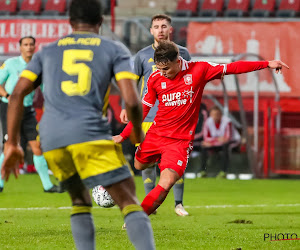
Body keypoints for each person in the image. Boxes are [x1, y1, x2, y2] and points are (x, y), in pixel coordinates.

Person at [1, 0, 155, 249]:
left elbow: (16, 94)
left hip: (51, 138)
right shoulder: (113, 49)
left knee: (80, 200)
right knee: (128, 199)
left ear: (70, 22)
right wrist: (138, 135)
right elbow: (132, 101)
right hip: (89, 132)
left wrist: (12, 143)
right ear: (101, 21)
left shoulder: (46, 51)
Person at [113, 40, 289, 216]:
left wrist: (266, 64)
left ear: (178, 60)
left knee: (166, 182)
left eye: (166, 69)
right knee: (139, 164)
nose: (162, 73)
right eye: (159, 69)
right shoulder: (155, 78)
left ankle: (136, 219)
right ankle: (158, 159)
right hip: (156, 134)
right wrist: (123, 135)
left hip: (180, 142)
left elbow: (232, 68)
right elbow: (143, 110)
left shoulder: (199, 70)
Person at [120, 14, 191, 216]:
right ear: (151, 31)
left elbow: (190, 80)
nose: (160, 30)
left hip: (176, 118)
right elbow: (132, 82)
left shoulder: (183, 53)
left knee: (174, 164)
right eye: (156, 27)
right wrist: (127, 106)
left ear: (170, 29)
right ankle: (152, 205)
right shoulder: (142, 56)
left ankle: (179, 203)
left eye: (164, 26)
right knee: (147, 164)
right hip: (148, 117)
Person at [0, 36, 60, 193]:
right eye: (25, 44)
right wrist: (7, 96)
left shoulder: (38, 65)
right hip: (10, 108)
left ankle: (47, 186)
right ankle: (0, 184)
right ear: (20, 47)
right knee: (9, 147)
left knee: (37, 146)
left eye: (31, 44)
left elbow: (46, 89)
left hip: (27, 110)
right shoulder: (11, 64)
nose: (28, 47)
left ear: (35, 47)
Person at [200, 106, 241, 178]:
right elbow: (206, 138)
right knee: (203, 146)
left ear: (220, 115)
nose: (215, 116)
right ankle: (203, 171)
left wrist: (212, 141)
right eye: (213, 115)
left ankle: (223, 172)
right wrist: (217, 140)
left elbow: (227, 138)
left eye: (217, 114)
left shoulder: (227, 122)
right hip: (217, 144)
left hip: (233, 142)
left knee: (226, 146)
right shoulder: (208, 122)